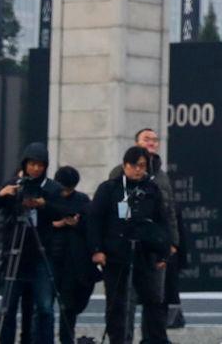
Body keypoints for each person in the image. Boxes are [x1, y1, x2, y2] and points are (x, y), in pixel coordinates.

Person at [0, 141, 67, 344]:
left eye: (40, 165)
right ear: (24, 164)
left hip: (41, 252)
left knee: (45, 306)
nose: (35, 169)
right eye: (32, 164)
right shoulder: (13, 185)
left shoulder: (52, 189)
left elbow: (64, 210)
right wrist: (2, 194)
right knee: (8, 308)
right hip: (14, 254)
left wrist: (43, 204)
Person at [87, 145, 171, 344]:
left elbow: (161, 221)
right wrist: (96, 250)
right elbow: (94, 219)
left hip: (144, 252)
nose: (138, 170)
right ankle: (120, 339)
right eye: (134, 165)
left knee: (153, 300)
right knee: (117, 303)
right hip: (116, 254)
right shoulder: (109, 188)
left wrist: (163, 252)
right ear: (125, 166)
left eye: (142, 166)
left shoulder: (151, 189)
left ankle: (154, 339)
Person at [108, 128, 182, 329]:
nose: (151, 142)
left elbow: (169, 212)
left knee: (155, 296)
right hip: (129, 242)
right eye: (146, 139)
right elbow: (113, 208)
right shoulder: (119, 172)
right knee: (128, 298)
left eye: (154, 139)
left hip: (155, 243)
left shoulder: (161, 176)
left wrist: (173, 241)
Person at [49, 166, 98, 344]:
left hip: (74, 259)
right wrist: (58, 224)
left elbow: (90, 226)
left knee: (70, 305)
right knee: (45, 305)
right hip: (51, 256)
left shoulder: (82, 201)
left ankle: (66, 339)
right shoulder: (48, 199)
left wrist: (76, 223)